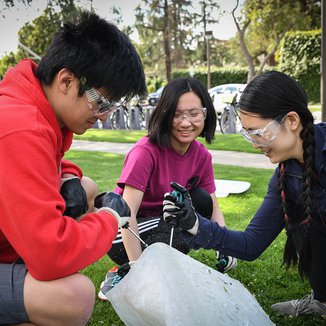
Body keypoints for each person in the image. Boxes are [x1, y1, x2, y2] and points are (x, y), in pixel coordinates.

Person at [0, 11, 146, 325]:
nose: (105, 116)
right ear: (67, 81)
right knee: (73, 297)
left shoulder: (30, 109)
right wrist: (109, 218)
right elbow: (50, 256)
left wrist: (69, 175)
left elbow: (40, 164)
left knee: (86, 186)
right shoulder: (21, 127)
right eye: (102, 103)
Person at [163, 71, 326, 318]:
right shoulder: (286, 171)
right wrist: (195, 224)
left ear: (292, 121)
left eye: (258, 132)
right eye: (247, 132)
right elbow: (251, 245)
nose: (254, 142)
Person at [97, 77, 237, 301]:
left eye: (193, 113)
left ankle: (160, 267)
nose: (185, 122)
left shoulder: (201, 155)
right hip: (121, 232)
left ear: (205, 114)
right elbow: (127, 213)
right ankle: (122, 272)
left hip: (161, 226)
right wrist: (138, 269)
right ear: (164, 114)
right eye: (177, 114)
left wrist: (226, 246)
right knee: (177, 223)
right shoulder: (145, 152)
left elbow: (211, 205)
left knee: (198, 204)